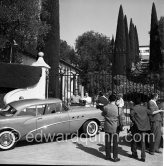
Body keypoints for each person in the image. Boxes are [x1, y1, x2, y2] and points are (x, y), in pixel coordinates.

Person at [130, 96, 151, 162]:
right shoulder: (144, 108)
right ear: (140, 102)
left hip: (136, 127)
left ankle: (134, 154)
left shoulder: (133, 108)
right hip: (144, 127)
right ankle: (143, 157)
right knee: (143, 142)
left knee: (134, 141)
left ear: (134, 102)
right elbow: (150, 112)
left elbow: (131, 116)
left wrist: (134, 121)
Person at [102, 94, 120, 162]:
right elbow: (119, 116)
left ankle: (108, 156)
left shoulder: (105, 107)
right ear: (115, 100)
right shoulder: (117, 108)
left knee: (107, 142)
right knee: (115, 143)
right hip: (115, 126)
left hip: (107, 126)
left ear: (109, 100)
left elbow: (103, 114)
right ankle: (115, 157)